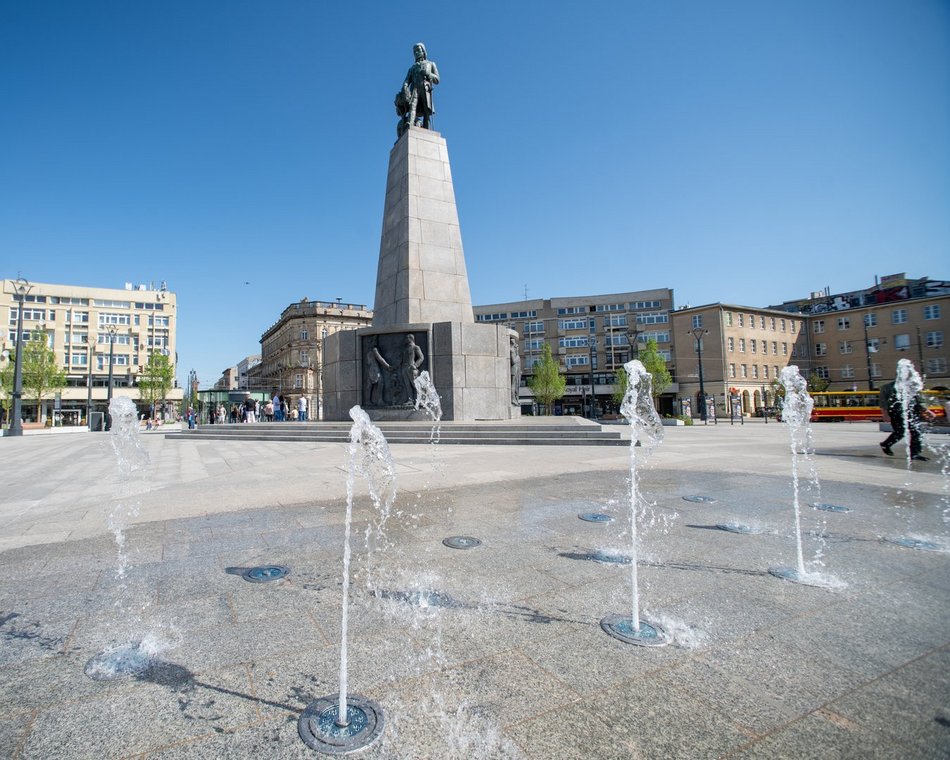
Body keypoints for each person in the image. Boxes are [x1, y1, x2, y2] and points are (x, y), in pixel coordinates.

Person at [879, 381, 934, 461]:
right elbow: (883, 402)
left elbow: (919, 399)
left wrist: (927, 410)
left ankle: (915, 454)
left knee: (916, 432)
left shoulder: (913, 384)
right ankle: (886, 444)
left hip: (912, 411)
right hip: (896, 412)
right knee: (900, 432)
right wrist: (885, 414)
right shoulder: (888, 387)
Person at [397, 42, 439, 134]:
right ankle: (410, 123)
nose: (416, 53)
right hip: (414, 89)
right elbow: (407, 80)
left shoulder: (431, 64)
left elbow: (437, 79)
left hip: (425, 89)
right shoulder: (412, 68)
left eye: (418, 50)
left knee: (426, 110)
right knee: (412, 106)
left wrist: (429, 74)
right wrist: (405, 86)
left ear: (423, 51)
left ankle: (427, 128)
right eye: (414, 51)